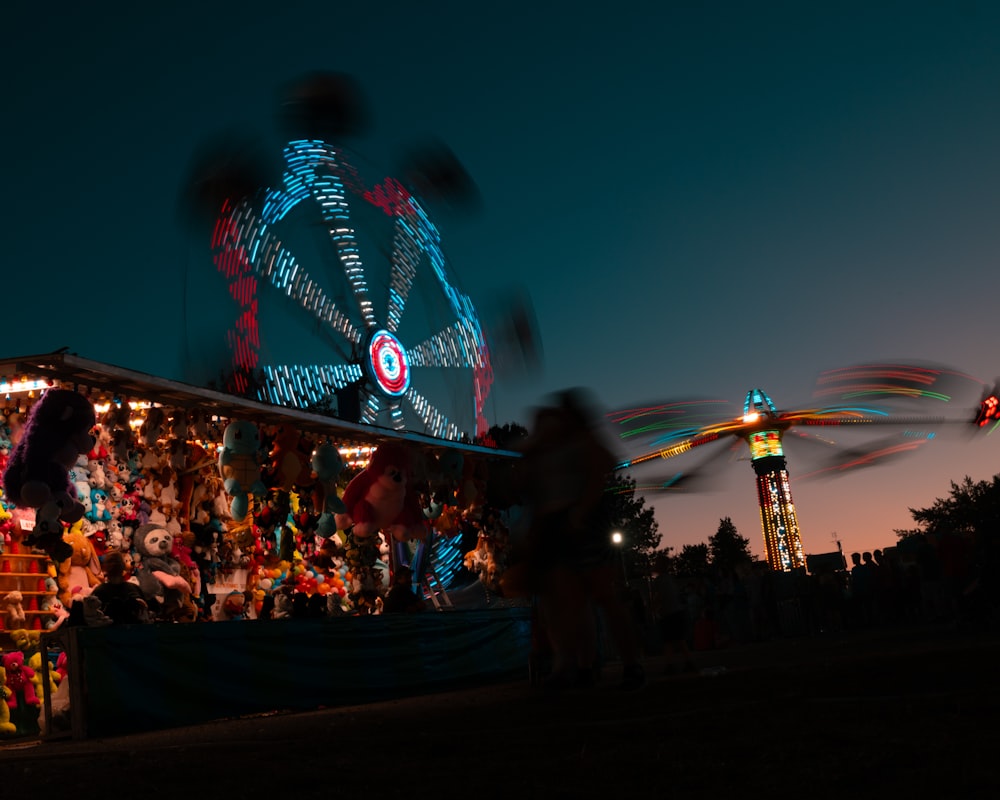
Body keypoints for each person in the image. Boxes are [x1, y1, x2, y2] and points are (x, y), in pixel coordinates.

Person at [518, 388, 645, 691]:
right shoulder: (550, 448)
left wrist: (581, 512)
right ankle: (585, 668)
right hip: (563, 525)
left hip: (580, 523)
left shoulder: (580, 442)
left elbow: (602, 467)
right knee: (575, 603)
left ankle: (628, 665)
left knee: (601, 596)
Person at [651, 554, 696, 674]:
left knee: (669, 640)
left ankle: (671, 665)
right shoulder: (669, 579)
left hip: (669, 614)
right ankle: (687, 663)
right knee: (678, 639)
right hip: (676, 612)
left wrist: (653, 610)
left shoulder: (659, 581)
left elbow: (658, 598)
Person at [90, 550, 151, 625]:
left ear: (105, 568)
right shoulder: (134, 589)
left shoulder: (99, 591)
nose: (114, 565)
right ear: (123, 566)